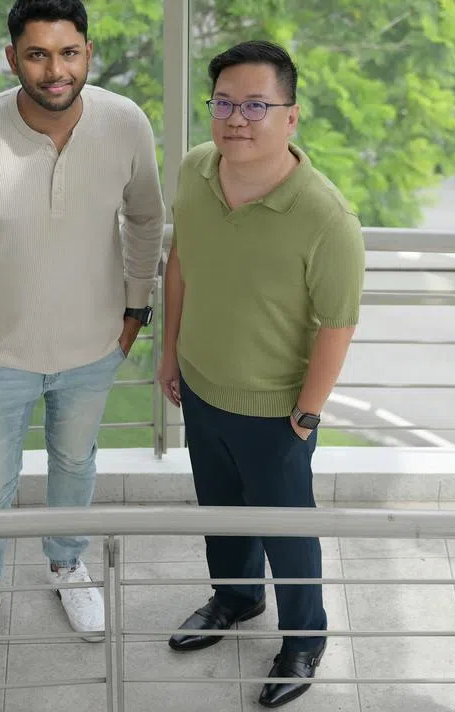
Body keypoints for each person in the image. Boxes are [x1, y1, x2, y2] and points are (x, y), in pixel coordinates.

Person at [0, 0, 164, 671]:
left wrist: (135, 311)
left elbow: (146, 219)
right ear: (11, 57)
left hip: (94, 350)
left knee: (76, 467)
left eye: (69, 52)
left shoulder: (126, 123)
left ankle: (66, 566)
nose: (56, 70)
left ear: (89, 51)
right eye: (38, 55)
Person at [157, 41, 365, 708]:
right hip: (201, 386)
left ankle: (305, 638)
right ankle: (236, 597)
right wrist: (169, 352)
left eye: (255, 105)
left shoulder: (327, 218)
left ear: (291, 116)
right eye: (223, 103)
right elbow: (181, 263)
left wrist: (305, 414)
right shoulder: (195, 170)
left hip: (276, 411)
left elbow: (337, 325)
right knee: (221, 511)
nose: (236, 119)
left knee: (287, 532)